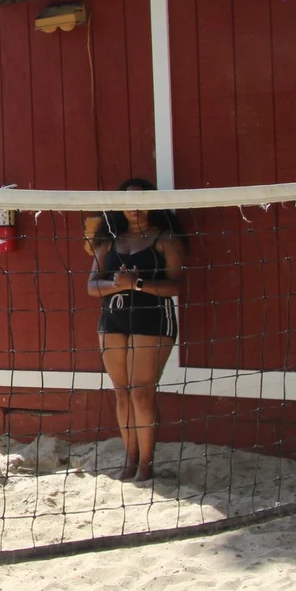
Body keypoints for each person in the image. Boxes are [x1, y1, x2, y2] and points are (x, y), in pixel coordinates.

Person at [87, 178, 186, 483]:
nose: (135, 208)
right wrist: (117, 284)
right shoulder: (108, 240)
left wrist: (137, 284)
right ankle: (129, 461)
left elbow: (175, 285)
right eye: (129, 202)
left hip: (152, 319)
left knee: (142, 394)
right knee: (122, 393)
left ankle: (146, 465)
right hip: (113, 319)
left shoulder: (165, 239)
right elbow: (92, 285)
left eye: (141, 201)